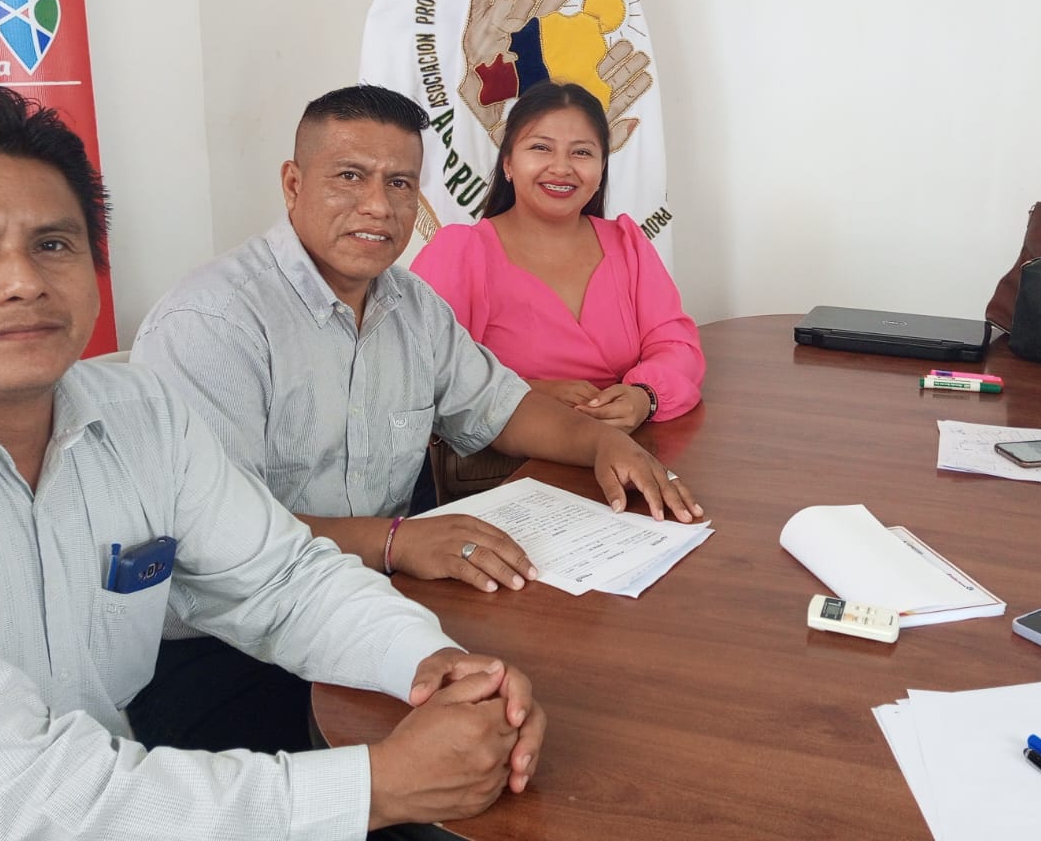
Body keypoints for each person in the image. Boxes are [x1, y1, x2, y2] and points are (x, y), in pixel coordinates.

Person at [0, 86, 545, 840]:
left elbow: (284, 578)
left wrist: (436, 664)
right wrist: (375, 786)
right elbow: (25, 794)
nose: (24, 281)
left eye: (53, 245)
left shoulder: (139, 415)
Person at [129, 84, 700, 753]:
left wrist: (600, 443)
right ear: (293, 184)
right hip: (226, 645)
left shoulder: (412, 307)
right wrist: (395, 541)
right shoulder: (213, 323)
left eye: (400, 183)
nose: (378, 205)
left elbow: (502, 407)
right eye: (350, 176)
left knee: (553, 712)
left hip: (373, 606)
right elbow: (222, 542)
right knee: (443, 773)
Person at [411, 79, 704, 433]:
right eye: (541, 148)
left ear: (601, 168)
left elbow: (677, 346)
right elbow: (422, 372)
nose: (562, 168)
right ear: (508, 163)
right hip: (508, 458)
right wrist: (525, 394)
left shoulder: (627, 244)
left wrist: (645, 396)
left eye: (581, 152)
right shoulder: (459, 252)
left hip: (629, 447)